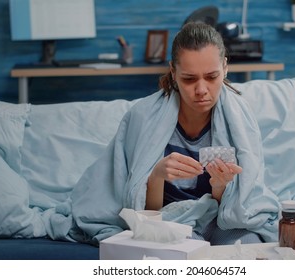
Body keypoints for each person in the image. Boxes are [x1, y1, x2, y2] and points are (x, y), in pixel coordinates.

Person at [70, 21, 280, 246]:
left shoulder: (240, 117)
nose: (201, 90)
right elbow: (146, 216)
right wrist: (157, 176)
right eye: (189, 79)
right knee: (184, 253)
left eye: (211, 77)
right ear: (173, 71)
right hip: (171, 223)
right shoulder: (142, 117)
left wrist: (219, 187)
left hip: (221, 222)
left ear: (225, 68)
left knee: (250, 248)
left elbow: (235, 209)